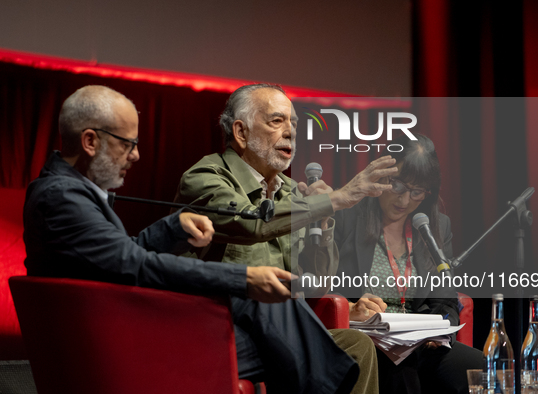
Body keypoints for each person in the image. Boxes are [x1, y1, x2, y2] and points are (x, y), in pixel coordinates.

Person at [23, 85, 363, 394]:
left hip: (117, 331)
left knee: (285, 338)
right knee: (273, 324)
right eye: (128, 144)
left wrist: (173, 227)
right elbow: (134, 264)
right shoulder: (61, 198)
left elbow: (121, 255)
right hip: (109, 345)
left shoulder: (69, 191)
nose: (136, 156)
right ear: (90, 141)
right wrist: (244, 279)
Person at [173, 83, 399, 394]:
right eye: (277, 121)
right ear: (240, 132)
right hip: (220, 328)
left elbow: (315, 285)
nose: (291, 132)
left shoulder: (293, 192)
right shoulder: (205, 178)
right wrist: (336, 199)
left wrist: (323, 221)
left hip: (282, 331)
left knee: (356, 345)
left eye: (293, 123)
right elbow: (250, 224)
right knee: (291, 324)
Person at [333, 134, 483, 394]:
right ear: (381, 176)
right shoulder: (347, 217)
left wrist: (442, 331)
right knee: (402, 372)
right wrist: (352, 307)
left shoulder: (436, 226)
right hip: (370, 340)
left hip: (419, 344)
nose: (404, 201)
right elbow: (320, 287)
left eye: (417, 192)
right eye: (398, 186)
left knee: (481, 368)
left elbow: (445, 299)